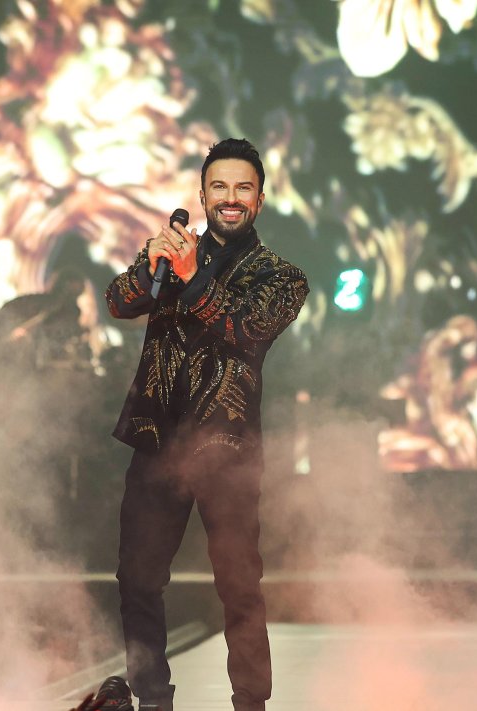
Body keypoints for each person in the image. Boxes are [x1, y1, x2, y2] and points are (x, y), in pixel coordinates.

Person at [103, 138, 308, 711]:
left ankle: (250, 703)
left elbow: (245, 332)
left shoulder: (281, 277)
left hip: (228, 451)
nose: (230, 198)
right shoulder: (172, 258)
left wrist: (192, 277)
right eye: (219, 187)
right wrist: (150, 265)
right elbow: (118, 302)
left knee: (239, 588)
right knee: (138, 580)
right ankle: (153, 700)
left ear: (260, 199)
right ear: (203, 194)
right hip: (158, 444)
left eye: (243, 188)